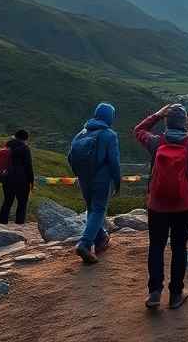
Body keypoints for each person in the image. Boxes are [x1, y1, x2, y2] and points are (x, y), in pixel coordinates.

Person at [135, 103, 188, 310]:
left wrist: (156, 115)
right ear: (184, 125)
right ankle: (175, 295)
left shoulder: (155, 142)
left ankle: (155, 292)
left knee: (156, 247)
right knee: (179, 248)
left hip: (157, 204)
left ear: (167, 122)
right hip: (184, 205)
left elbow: (138, 131)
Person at [70, 103, 121, 264]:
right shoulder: (109, 134)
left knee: (92, 210)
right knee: (98, 210)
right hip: (102, 179)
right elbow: (114, 160)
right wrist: (117, 182)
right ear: (110, 117)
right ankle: (84, 244)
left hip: (83, 178)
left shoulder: (82, 132)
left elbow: (70, 157)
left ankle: (101, 239)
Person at [0, 129, 35, 225]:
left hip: (7, 178)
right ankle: (19, 224)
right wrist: (31, 181)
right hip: (21, 179)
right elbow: (28, 166)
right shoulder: (24, 148)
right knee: (22, 202)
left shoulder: (8, 147)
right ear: (26, 138)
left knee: (7, 201)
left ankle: (2, 223)